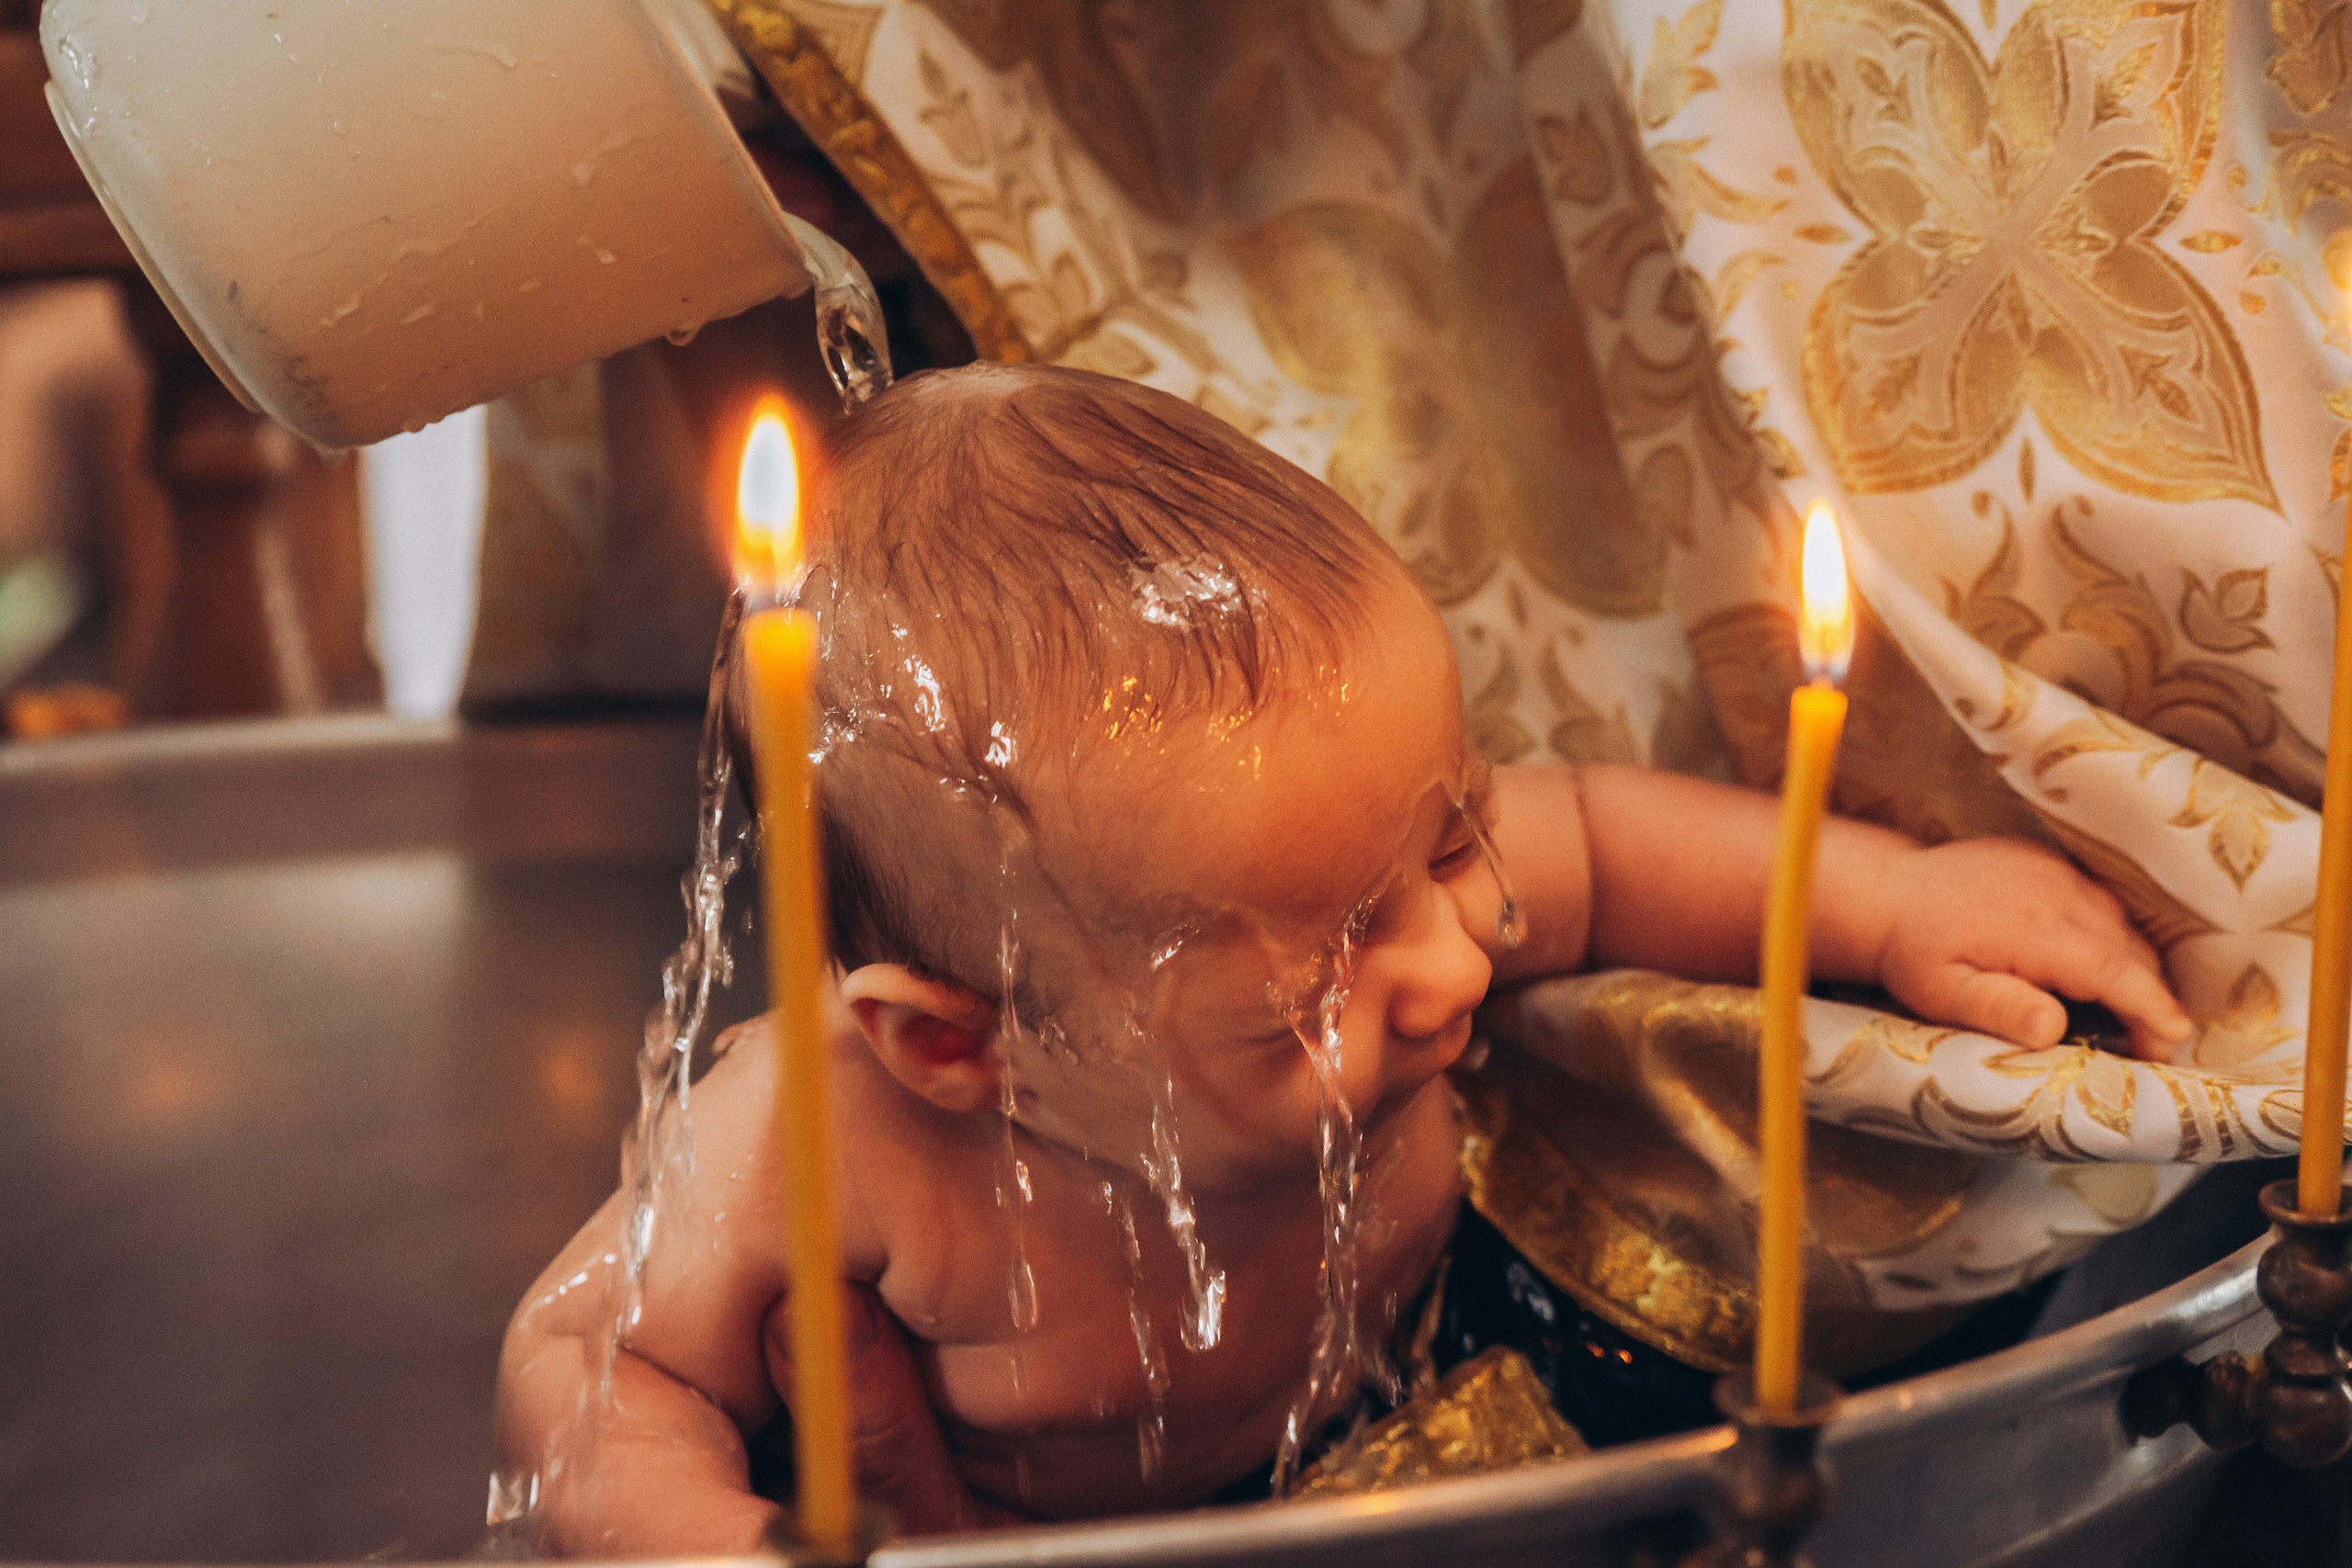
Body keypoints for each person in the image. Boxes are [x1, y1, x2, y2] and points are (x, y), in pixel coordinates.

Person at [493, 363, 2191, 1554]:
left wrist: (1891, 903)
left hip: (1426, 1408)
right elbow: (587, 1367)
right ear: (960, 1045)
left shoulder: (1336, 869)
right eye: (1317, 988)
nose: (1457, 958)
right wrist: (716, 1543)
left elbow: (1595, 831)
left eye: (1449, 846)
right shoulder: (825, 1135)